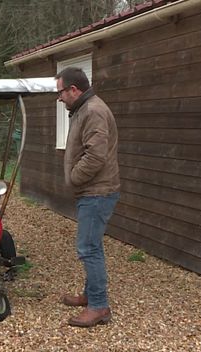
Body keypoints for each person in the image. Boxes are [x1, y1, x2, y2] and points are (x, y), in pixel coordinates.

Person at [55, 67, 120, 328]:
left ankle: (99, 306)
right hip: (93, 191)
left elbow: (96, 156)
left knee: (88, 248)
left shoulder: (93, 111)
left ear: (74, 90)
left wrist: (73, 177)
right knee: (92, 244)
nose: (59, 98)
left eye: (61, 91)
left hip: (97, 192)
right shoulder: (84, 109)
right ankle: (90, 295)